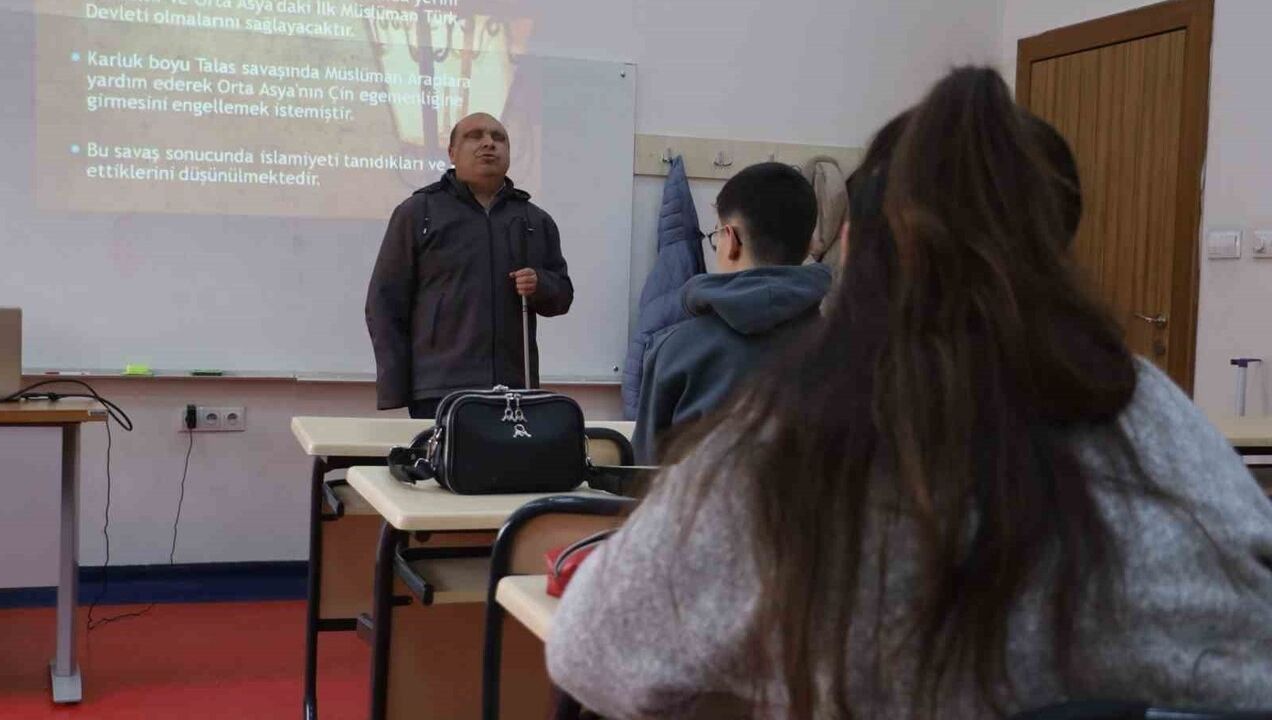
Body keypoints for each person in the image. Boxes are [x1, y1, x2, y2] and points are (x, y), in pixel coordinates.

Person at [548, 67, 1272, 718]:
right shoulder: (1154, 409)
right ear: (1056, 246)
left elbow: (591, 657)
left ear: (858, 247)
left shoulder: (792, 431)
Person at [366, 113, 573, 418]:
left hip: (515, 387)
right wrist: (396, 387)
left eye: (498, 137)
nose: (489, 143)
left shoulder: (534, 220)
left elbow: (563, 295)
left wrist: (541, 284)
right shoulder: (418, 212)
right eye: (474, 136)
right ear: (451, 153)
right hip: (438, 389)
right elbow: (384, 304)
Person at [631, 162, 831, 464]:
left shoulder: (676, 350)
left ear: (731, 239)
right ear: (808, 246)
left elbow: (644, 473)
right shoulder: (850, 352)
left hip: (696, 511)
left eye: (716, 236)